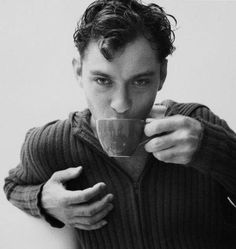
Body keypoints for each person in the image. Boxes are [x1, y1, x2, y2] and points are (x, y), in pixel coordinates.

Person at [3, 0, 236, 248]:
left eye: (140, 81)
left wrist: (211, 149)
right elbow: (13, 186)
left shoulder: (198, 127)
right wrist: (43, 201)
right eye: (103, 80)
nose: (121, 104)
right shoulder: (51, 145)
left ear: (162, 75)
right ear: (79, 72)